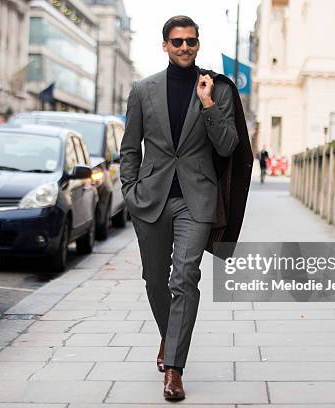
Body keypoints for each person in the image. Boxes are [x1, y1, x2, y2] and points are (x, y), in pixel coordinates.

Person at [120, 15, 239, 401]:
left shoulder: (216, 89)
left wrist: (207, 104)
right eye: (177, 42)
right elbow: (129, 148)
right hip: (150, 199)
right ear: (165, 46)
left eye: (190, 41)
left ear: (198, 44)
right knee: (155, 280)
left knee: (184, 277)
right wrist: (130, 191)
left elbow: (227, 146)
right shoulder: (142, 89)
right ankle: (167, 338)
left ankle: (174, 368)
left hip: (196, 199)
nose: (184, 47)